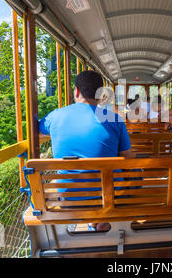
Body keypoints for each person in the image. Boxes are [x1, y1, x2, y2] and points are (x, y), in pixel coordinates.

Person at [39, 70, 134, 231]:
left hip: (69, 199)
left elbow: (39, 131)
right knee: (129, 178)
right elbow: (128, 158)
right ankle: (99, 222)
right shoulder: (114, 119)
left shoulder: (55, 116)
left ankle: (93, 223)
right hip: (108, 197)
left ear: (76, 91)